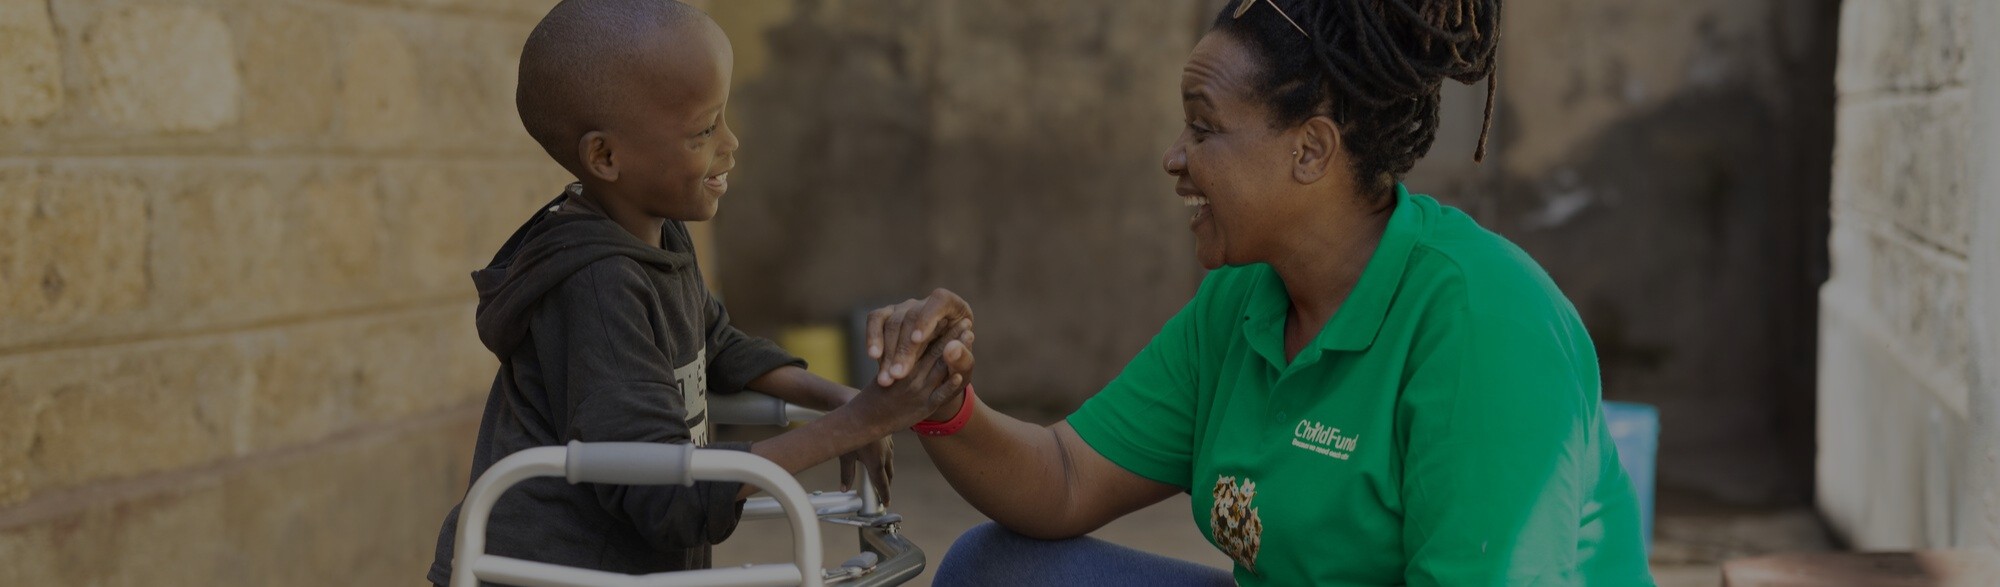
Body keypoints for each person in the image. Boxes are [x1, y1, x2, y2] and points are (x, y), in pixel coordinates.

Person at [864, 0, 1656, 584]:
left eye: (1204, 128)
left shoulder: (1483, 321)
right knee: (994, 568)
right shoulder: (1243, 300)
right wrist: (946, 405)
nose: (1175, 157)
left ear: (1311, 150)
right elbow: (1066, 476)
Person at [425, 1, 973, 584]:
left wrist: (841, 400)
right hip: (543, 574)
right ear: (605, 156)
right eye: (704, 130)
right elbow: (665, 493)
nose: (731, 143)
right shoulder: (596, 284)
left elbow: (715, 343)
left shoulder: (657, 235)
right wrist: (858, 423)